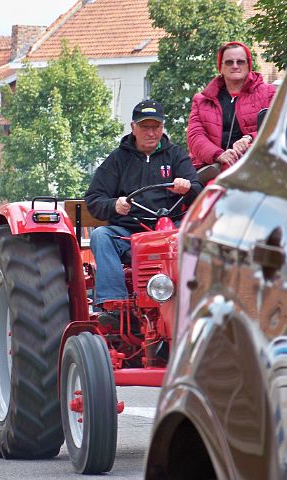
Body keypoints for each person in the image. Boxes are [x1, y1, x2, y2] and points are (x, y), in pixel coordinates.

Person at [85, 99, 203, 306]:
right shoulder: (117, 160)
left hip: (171, 229)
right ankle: (115, 303)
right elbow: (94, 200)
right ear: (133, 127)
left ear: (162, 127)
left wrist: (188, 188)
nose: (151, 133)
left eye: (156, 127)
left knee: (203, 235)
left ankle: (199, 298)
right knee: (101, 236)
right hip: (130, 232)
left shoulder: (175, 155)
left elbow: (199, 195)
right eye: (145, 127)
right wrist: (115, 205)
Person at [188, 41, 276, 175]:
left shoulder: (268, 93)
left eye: (240, 62)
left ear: (248, 65)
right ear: (221, 67)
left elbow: (278, 127)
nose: (235, 66)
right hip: (212, 167)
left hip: (256, 166)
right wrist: (218, 154)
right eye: (229, 62)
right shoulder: (201, 100)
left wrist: (249, 138)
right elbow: (195, 137)